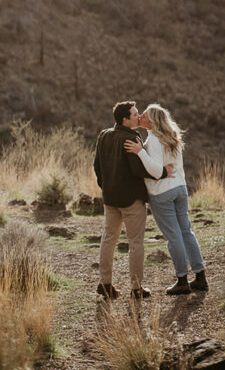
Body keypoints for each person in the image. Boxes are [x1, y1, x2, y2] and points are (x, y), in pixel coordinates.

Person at [124, 103, 208, 295]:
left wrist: (140, 152)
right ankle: (200, 277)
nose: (141, 118)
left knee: (174, 236)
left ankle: (182, 280)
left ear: (153, 120)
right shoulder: (173, 137)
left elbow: (154, 170)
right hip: (180, 189)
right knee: (186, 232)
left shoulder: (153, 140)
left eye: (144, 116)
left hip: (162, 193)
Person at [93, 99, 160, 300]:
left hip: (110, 199)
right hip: (132, 201)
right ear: (125, 119)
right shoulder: (132, 137)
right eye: (135, 113)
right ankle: (136, 288)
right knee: (136, 243)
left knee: (108, 239)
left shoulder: (104, 135)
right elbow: (139, 169)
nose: (138, 116)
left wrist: (106, 187)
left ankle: (105, 284)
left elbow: (97, 166)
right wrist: (161, 173)